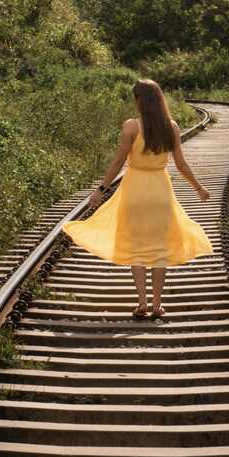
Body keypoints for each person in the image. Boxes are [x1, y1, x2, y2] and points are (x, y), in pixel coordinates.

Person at [63, 78, 212, 321]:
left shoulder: (132, 126)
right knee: (160, 250)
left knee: (137, 249)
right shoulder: (171, 127)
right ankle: (156, 305)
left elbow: (118, 161)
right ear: (160, 99)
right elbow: (181, 164)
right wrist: (199, 188)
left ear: (138, 100)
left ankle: (141, 302)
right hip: (160, 192)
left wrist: (100, 190)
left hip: (134, 191)